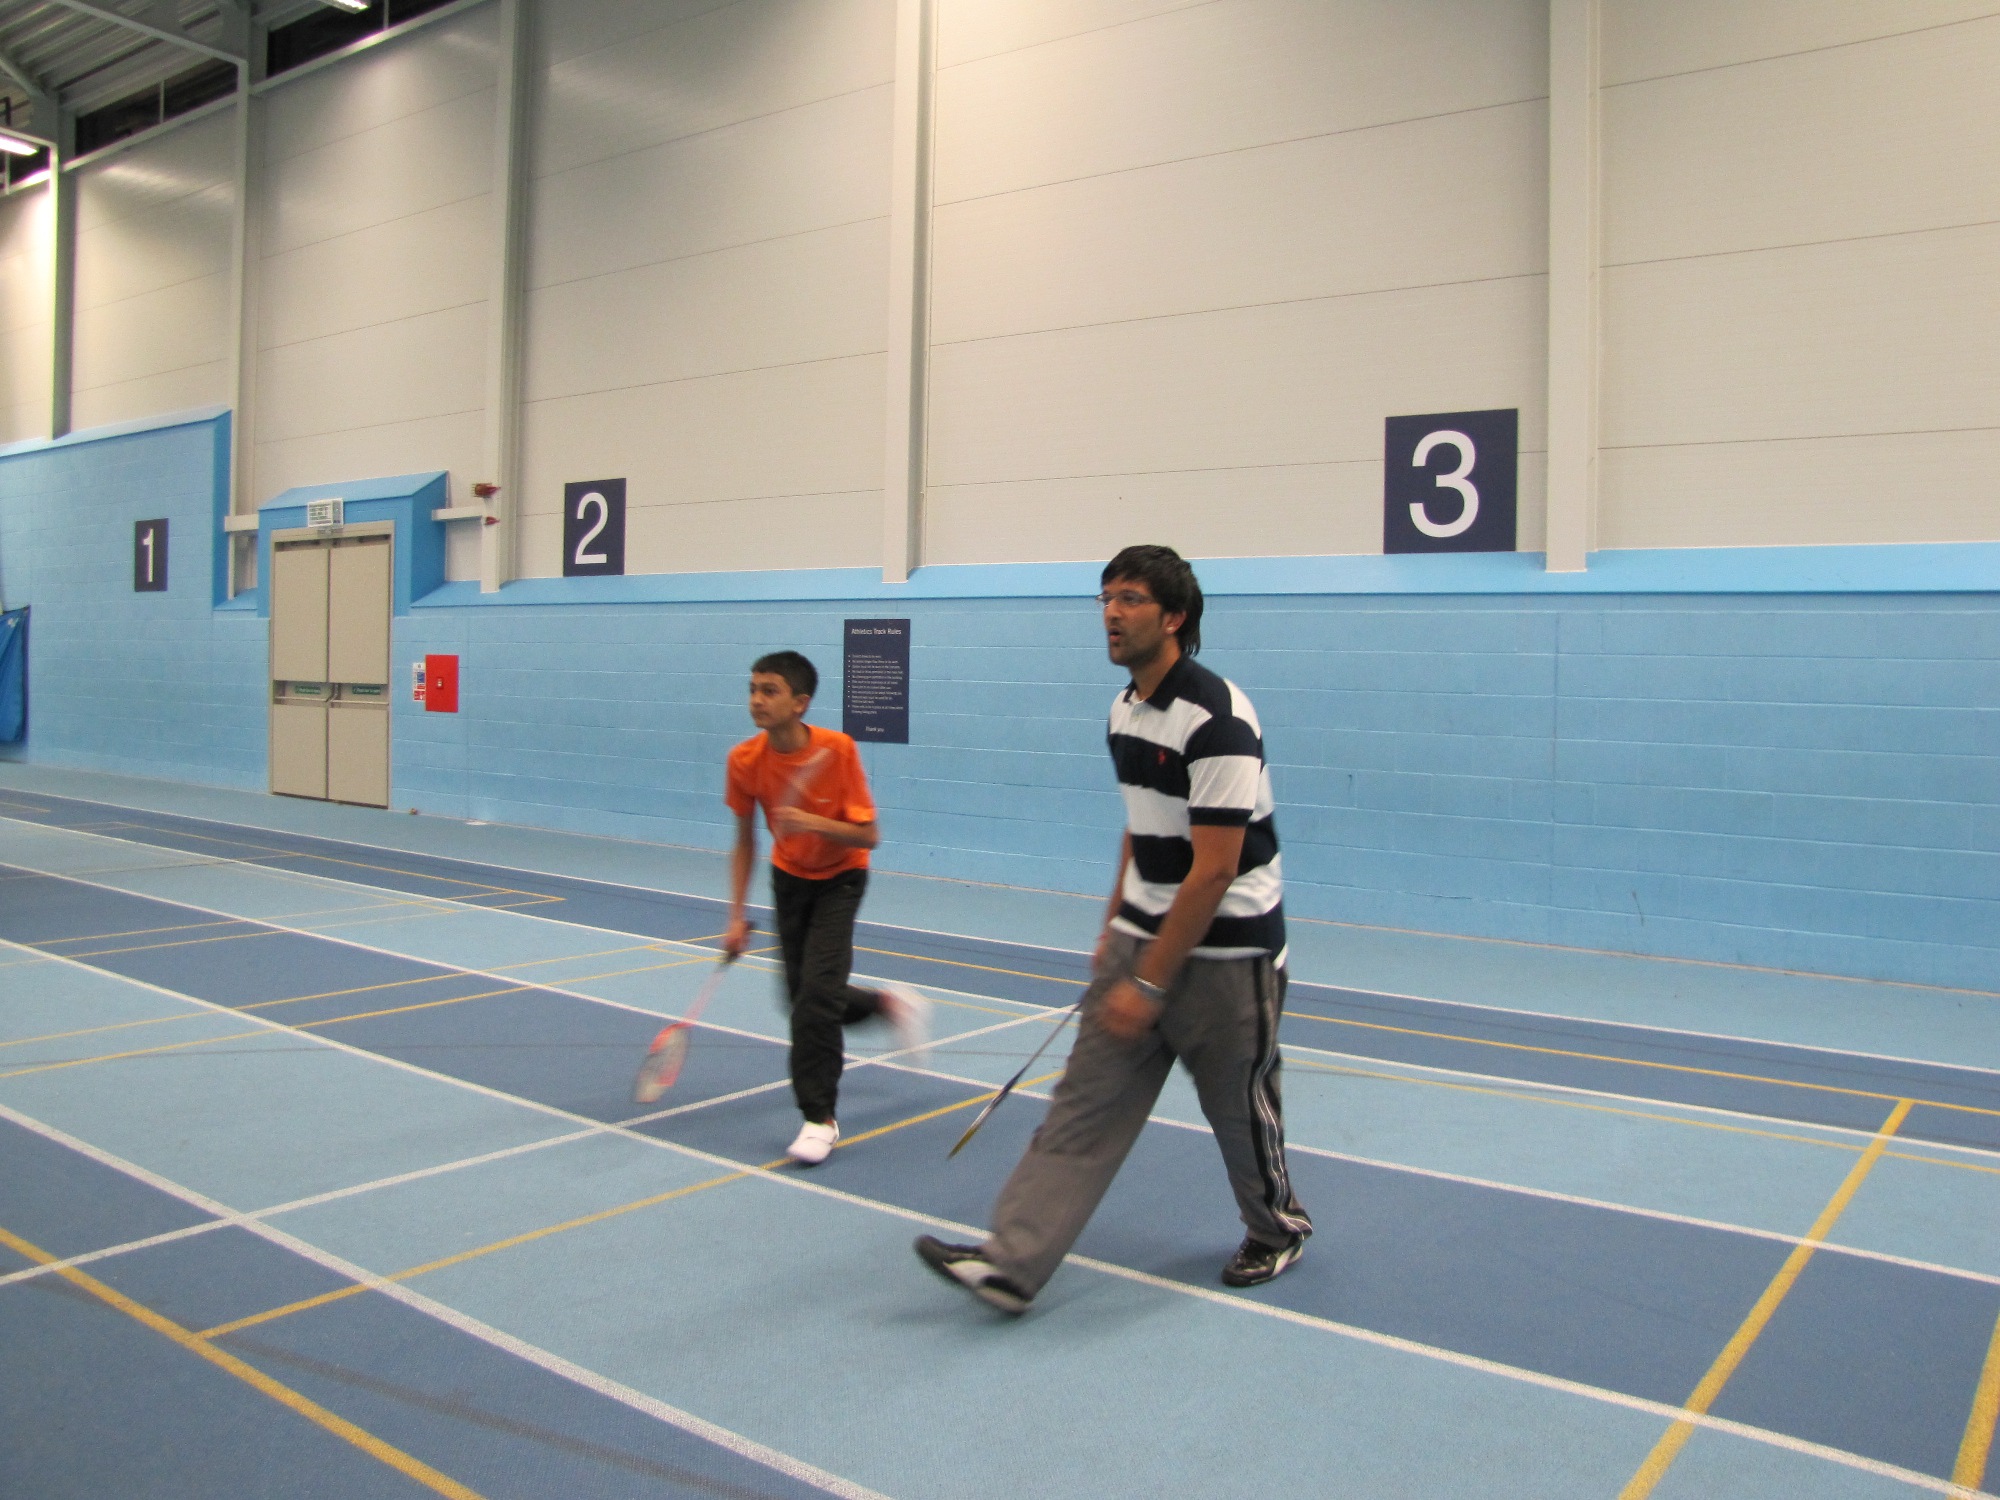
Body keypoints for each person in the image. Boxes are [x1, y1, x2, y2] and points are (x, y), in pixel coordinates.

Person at [915, 545, 1310, 1312]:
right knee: (1083, 1105)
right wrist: (1115, 930)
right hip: (1142, 938)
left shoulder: (1219, 718)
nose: (1112, 614)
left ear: (1175, 617)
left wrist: (1151, 980)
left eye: (1129, 599)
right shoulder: (1124, 709)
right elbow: (1140, 825)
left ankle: (1276, 1229)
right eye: (1105, 599)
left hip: (1230, 953)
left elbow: (1214, 870)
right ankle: (1012, 1263)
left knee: (1239, 1111)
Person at [723, 650, 928, 1165]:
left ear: (800, 703)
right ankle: (885, 1005)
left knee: (815, 999)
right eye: (753, 689)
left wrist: (812, 823)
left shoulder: (838, 751)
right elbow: (745, 841)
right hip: (788, 879)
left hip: (841, 879)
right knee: (801, 998)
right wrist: (735, 916)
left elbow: (869, 834)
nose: (757, 700)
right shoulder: (744, 760)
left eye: (770, 690)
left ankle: (819, 1119)